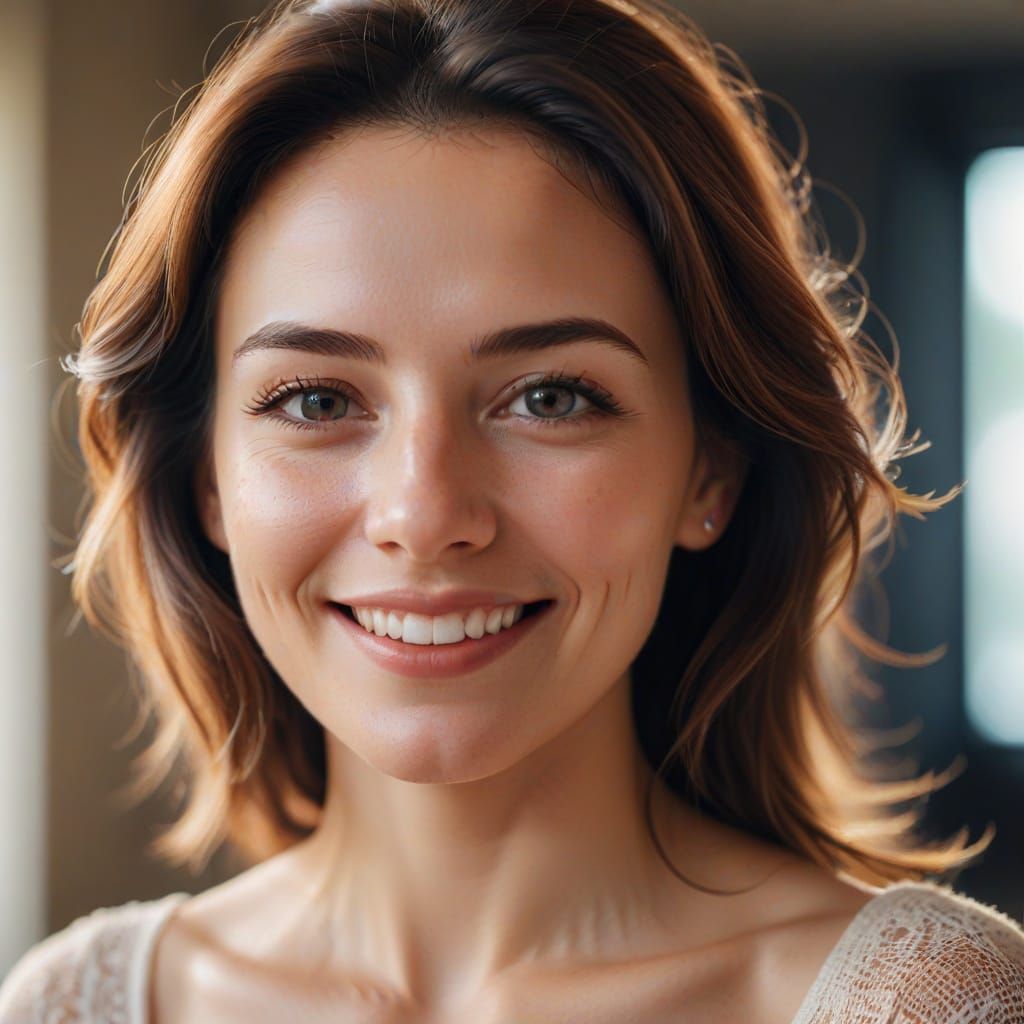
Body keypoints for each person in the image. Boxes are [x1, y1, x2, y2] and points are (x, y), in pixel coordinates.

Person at [3, 0, 1023, 1020]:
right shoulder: (75, 1004)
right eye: (316, 400)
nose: (424, 510)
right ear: (208, 480)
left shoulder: (918, 1004)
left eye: (549, 397)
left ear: (709, 471)